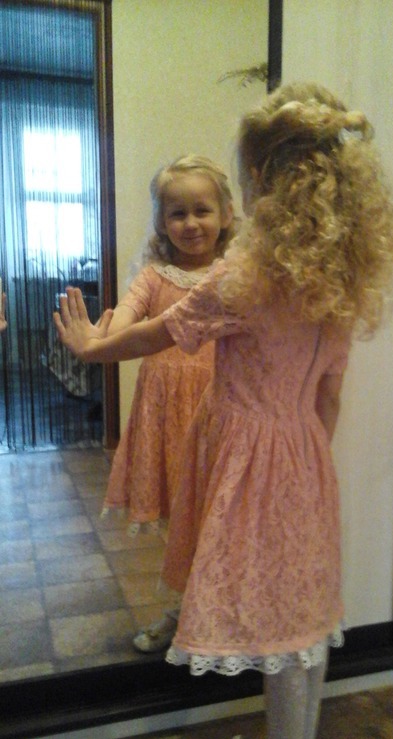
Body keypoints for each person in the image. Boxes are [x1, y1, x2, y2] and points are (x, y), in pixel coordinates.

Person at [54, 82, 393, 739]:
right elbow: (330, 394)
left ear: (260, 179)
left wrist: (92, 347)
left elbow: (161, 332)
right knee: (301, 610)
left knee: (276, 622)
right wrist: (301, 463)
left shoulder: (247, 275)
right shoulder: (335, 272)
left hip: (254, 461)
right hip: (304, 454)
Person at [102, 155, 235, 653]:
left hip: (218, 412)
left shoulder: (234, 275)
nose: (190, 223)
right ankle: (184, 613)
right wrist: (106, 336)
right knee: (181, 522)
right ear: (161, 221)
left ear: (226, 214)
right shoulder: (154, 276)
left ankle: (214, 616)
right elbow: (126, 318)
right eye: (177, 213)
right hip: (164, 415)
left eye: (202, 210)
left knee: (217, 518)